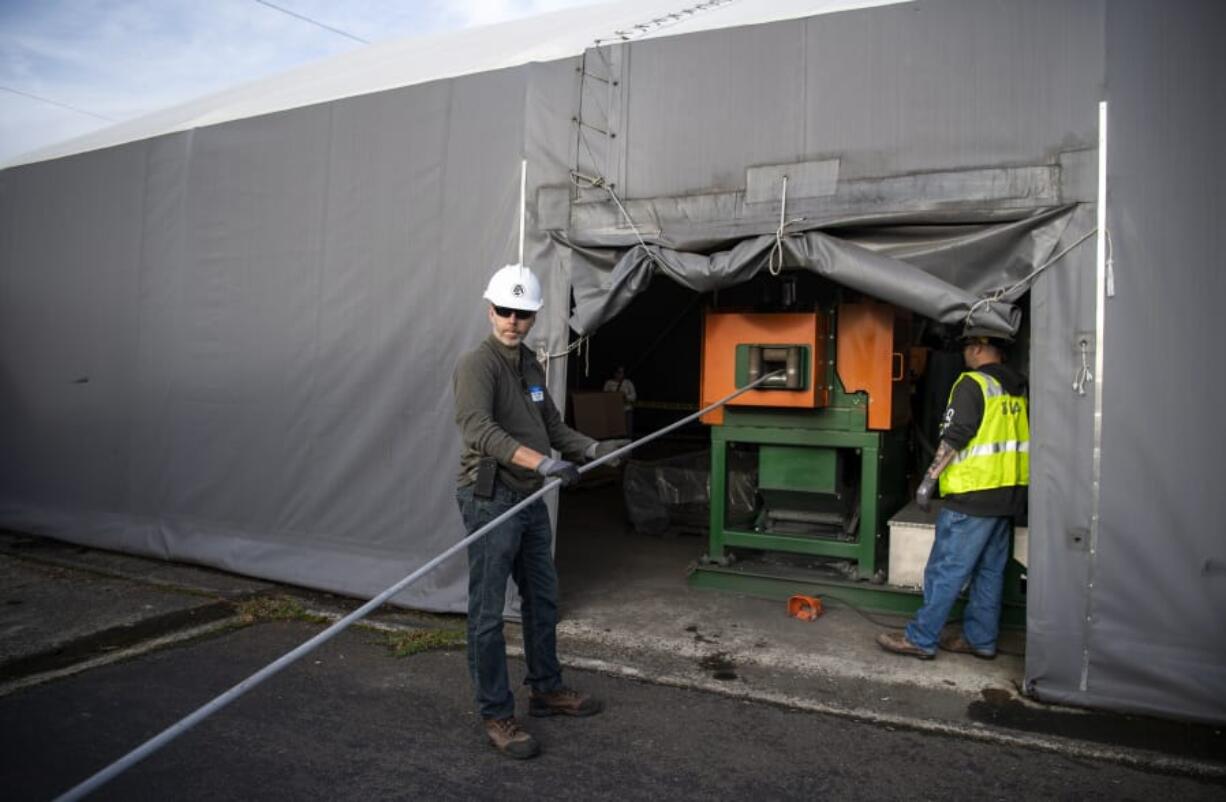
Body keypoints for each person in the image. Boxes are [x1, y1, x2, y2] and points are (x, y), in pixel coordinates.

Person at [452, 263, 628, 759]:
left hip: (529, 496)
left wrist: (594, 449)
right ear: (490, 310)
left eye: (522, 313)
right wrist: (544, 462)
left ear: (532, 317)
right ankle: (495, 713)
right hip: (490, 498)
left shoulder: (529, 365)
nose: (512, 319)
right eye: (504, 310)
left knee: (543, 598)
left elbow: (551, 424)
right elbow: (478, 431)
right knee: (488, 614)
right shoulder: (476, 365)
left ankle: (546, 690)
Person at [877, 327, 1029, 660]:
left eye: (966, 347)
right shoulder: (1016, 388)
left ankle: (921, 637)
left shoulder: (972, 384)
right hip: (1006, 496)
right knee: (989, 573)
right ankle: (981, 639)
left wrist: (928, 480)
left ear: (976, 349)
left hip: (972, 496)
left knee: (946, 570)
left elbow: (955, 436)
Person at [602, 365, 637, 436]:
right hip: (614, 411)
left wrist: (625, 397)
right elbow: (604, 396)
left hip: (626, 410)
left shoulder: (628, 383)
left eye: (622, 373)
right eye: (619, 372)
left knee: (628, 430)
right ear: (614, 373)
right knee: (615, 430)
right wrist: (614, 396)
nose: (620, 374)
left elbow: (634, 396)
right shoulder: (609, 383)